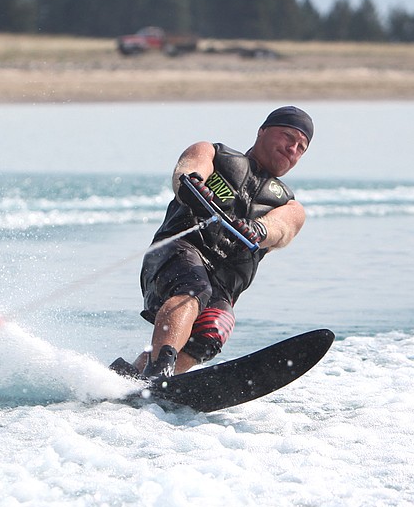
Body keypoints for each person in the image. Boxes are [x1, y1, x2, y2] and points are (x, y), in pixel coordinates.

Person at [113, 106, 313, 381]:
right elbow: (191, 165)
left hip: (223, 282)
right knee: (194, 288)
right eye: (287, 136)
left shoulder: (289, 206)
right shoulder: (215, 154)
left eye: (301, 147)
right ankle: (159, 373)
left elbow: (282, 227)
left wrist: (258, 229)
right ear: (262, 131)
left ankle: (134, 378)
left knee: (212, 332)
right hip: (179, 253)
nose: (292, 148)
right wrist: (192, 182)